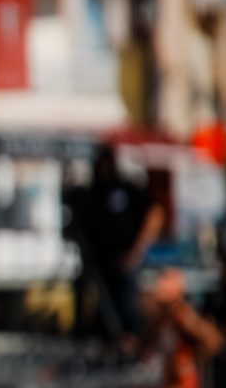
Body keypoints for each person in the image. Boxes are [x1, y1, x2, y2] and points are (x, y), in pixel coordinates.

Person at [65, 144, 165, 342]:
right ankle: (112, 343)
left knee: (126, 306)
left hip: (126, 260)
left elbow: (155, 213)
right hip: (100, 264)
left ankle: (133, 343)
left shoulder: (127, 189)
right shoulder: (92, 193)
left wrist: (137, 249)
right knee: (103, 309)